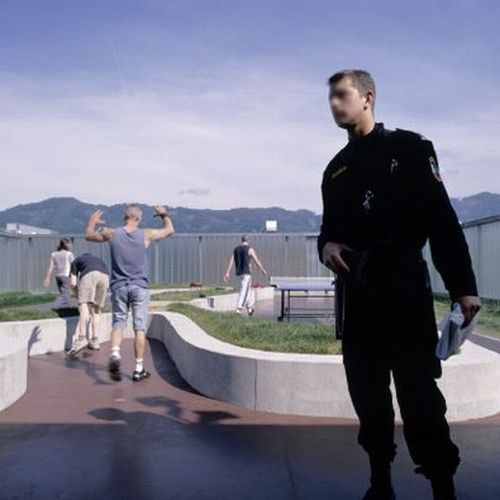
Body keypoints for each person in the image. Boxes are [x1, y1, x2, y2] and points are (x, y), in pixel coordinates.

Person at [318, 69, 481, 500]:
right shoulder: (335, 170)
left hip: (404, 287)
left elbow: (443, 223)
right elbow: (327, 233)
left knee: (419, 394)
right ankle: (380, 484)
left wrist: (463, 287)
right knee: (367, 394)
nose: (333, 104)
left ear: (367, 97)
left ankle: (443, 487)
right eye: (330, 97)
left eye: (341, 95)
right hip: (357, 294)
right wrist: (326, 245)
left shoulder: (409, 148)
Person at [85, 204, 174, 382]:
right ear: (138, 219)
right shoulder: (146, 234)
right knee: (139, 328)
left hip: (119, 286)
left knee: (118, 322)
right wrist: (163, 214)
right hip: (140, 286)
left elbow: (89, 235)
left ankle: (115, 353)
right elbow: (169, 230)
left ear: (124, 218)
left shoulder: (112, 233)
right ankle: (138, 369)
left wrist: (92, 221)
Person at [67, 252, 110, 357]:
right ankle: (95, 341)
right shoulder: (98, 260)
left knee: (83, 306)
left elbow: (73, 283)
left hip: (89, 275)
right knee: (96, 310)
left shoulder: (76, 261)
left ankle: (81, 339)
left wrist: (78, 295)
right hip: (105, 277)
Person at [223, 234, 268, 315]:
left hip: (239, 273)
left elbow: (231, 260)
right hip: (246, 274)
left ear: (242, 240)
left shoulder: (236, 249)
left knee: (245, 290)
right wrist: (263, 270)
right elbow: (256, 261)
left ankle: (250, 308)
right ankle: (238, 309)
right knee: (244, 291)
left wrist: (227, 272)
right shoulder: (250, 249)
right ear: (248, 240)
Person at [43, 238, 75, 309]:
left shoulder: (54, 254)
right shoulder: (69, 254)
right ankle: (55, 307)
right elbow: (73, 266)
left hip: (58, 276)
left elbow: (51, 267)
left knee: (64, 293)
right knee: (65, 293)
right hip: (66, 275)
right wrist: (74, 277)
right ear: (66, 245)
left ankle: (68, 307)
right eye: (70, 244)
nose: (71, 245)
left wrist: (47, 278)